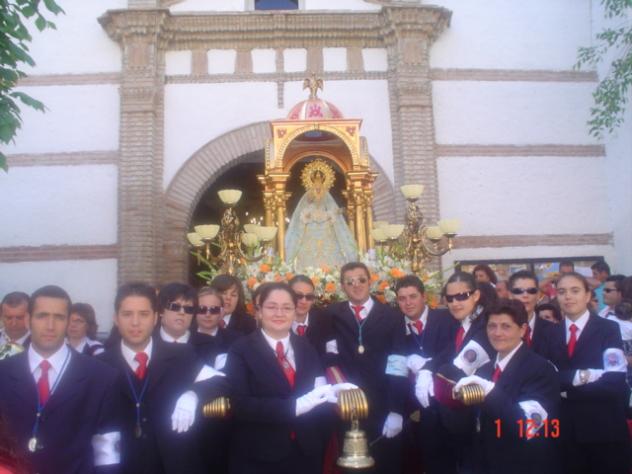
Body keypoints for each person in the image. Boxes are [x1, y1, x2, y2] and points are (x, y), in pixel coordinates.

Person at [98, 282, 226, 474]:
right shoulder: (100, 365)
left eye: (144, 314)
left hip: (174, 465)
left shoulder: (181, 355)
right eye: (127, 314)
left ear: (155, 317)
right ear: (116, 318)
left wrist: (193, 394)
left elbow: (222, 382)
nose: (135, 322)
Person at [224, 282, 346, 474]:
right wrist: (295, 406)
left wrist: (332, 394)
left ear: (294, 312)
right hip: (259, 455)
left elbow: (316, 387)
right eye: (272, 307)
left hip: (306, 453)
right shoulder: (241, 350)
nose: (279, 313)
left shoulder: (306, 346)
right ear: (259, 311)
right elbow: (240, 404)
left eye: (287, 308)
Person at [0, 285, 121, 474]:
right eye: (42, 316)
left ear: (68, 322)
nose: (50, 326)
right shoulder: (3, 372)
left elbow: (107, 452)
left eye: (59, 317)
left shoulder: (101, 377)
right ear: (28, 320)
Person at [454, 299, 561, 474]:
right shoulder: (484, 369)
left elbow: (526, 425)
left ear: (523, 330)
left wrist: (490, 391)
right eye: (492, 326)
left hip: (520, 465)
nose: (497, 333)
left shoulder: (541, 370)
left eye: (506, 326)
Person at [324, 262, 408, 474]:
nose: (356, 285)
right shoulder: (331, 314)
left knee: (385, 464)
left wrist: (396, 410)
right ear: (342, 286)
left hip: (382, 403)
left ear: (370, 282)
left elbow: (398, 364)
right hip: (347, 404)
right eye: (349, 281)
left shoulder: (392, 316)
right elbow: (328, 356)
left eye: (361, 279)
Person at [546, 272, 630, 474]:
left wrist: (566, 390)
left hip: (603, 429)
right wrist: (585, 376)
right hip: (565, 432)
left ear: (587, 295)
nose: (568, 296)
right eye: (562, 292)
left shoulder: (608, 329)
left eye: (575, 291)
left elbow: (614, 382)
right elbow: (547, 379)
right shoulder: (549, 333)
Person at [416, 271, 494, 474]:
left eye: (462, 296)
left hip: (478, 419)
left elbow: (457, 368)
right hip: (457, 418)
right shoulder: (463, 323)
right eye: (450, 298)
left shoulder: (486, 324)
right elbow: (446, 354)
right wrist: (426, 370)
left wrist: (431, 377)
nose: (455, 303)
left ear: (476, 295)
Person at [395, 275, 455, 474]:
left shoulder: (446, 319)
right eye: (402, 298)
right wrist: (395, 409)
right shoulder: (394, 325)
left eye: (413, 296)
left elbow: (454, 350)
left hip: (446, 405)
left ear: (424, 297)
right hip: (411, 408)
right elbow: (392, 366)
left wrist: (430, 366)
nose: (408, 303)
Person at [285, 162, 357, 270]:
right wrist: (309, 212)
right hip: (311, 225)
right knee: (309, 249)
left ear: (323, 182)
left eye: (319, 182)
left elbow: (331, 207)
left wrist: (335, 212)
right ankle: (309, 270)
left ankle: (330, 270)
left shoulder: (326, 194)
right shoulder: (309, 194)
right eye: (316, 182)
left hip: (325, 225)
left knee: (329, 248)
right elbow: (303, 209)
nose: (318, 185)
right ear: (312, 182)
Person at [508, 270, 556, 359]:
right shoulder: (498, 331)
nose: (525, 295)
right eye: (518, 291)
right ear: (510, 295)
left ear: (538, 295)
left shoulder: (553, 330)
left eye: (531, 290)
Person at [288, 275, 331, 359]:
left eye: (309, 297)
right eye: (298, 296)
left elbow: (330, 348)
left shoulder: (323, 319)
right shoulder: (278, 322)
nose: (304, 301)